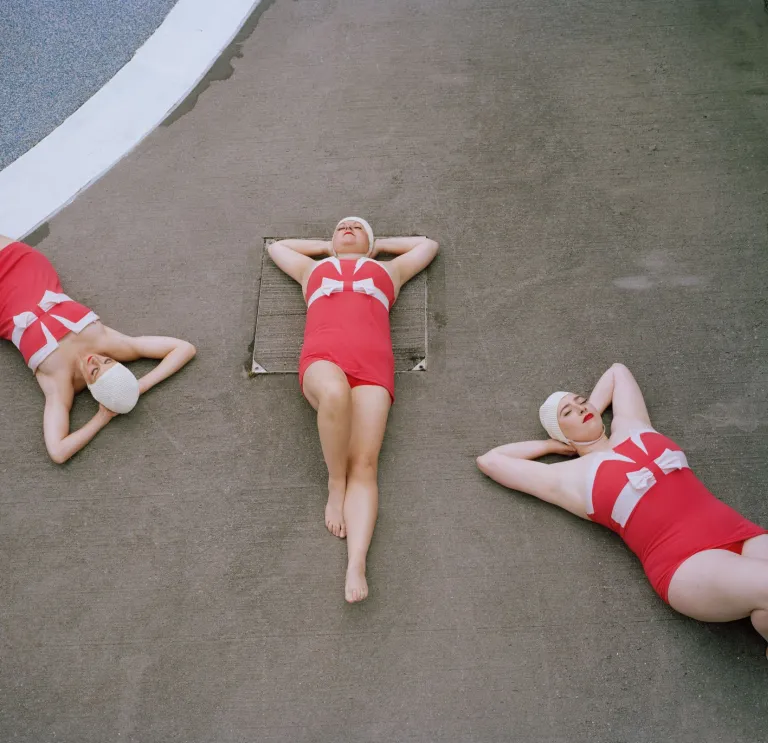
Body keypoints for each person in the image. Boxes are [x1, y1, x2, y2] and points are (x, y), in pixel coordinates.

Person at [476, 363, 768, 657]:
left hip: (741, 533)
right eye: (567, 413)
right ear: (560, 432)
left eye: (581, 402)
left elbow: (617, 372)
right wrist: (549, 445)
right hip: (686, 563)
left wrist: (588, 408)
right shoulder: (570, 478)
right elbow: (491, 461)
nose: (580, 409)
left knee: (763, 610)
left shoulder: (632, 425)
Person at [268, 217, 438, 602]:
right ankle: (334, 482)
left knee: (365, 464)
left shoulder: (389, 271)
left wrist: (377, 247)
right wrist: (327, 248)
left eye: (357, 228)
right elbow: (277, 247)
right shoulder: (312, 269)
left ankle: (356, 563)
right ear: (329, 241)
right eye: (341, 227)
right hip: (323, 358)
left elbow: (428, 246)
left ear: (371, 241)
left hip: (373, 369)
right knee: (334, 393)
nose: (347, 228)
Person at [0, 236, 196, 463]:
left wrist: (102, 417)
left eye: (94, 372)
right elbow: (185, 348)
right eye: (107, 363)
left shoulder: (60, 385)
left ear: (93, 390)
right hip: (25, 265)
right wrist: (139, 386)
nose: (95, 360)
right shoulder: (109, 345)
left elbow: (58, 451)